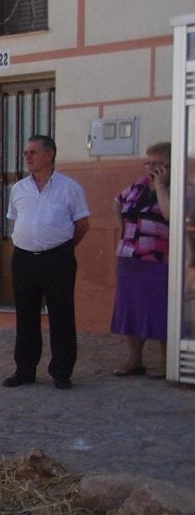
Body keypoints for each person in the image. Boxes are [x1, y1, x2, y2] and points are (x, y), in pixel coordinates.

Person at [3, 135, 90, 390]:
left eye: (33, 152)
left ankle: (61, 372)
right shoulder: (19, 189)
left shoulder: (69, 188)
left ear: (49, 154)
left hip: (57, 259)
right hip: (24, 259)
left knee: (61, 314)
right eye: (26, 153)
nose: (27, 157)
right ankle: (25, 369)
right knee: (25, 315)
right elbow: (16, 220)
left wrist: (62, 248)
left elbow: (82, 224)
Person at [111, 142, 171, 376]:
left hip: (159, 258)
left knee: (160, 309)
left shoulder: (178, 188)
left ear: (170, 165)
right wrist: (123, 231)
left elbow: (170, 214)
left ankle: (167, 362)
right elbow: (117, 202)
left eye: (157, 163)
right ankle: (134, 360)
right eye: (149, 162)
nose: (151, 167)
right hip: (130, 256)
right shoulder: (138, 185)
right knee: (131, 308)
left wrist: (161, 186)